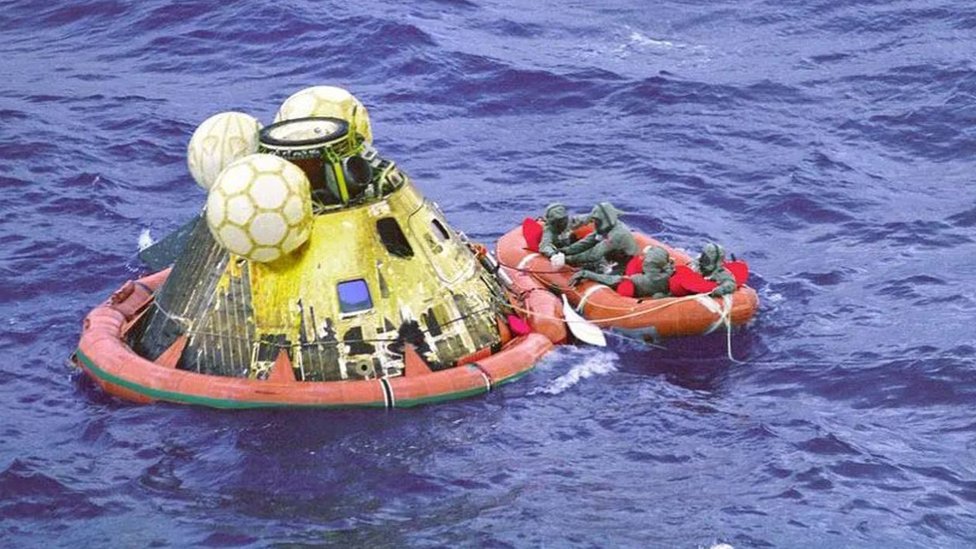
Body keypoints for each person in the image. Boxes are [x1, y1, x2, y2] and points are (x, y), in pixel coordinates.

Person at [557, 201, 639, 271]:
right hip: (611, 257)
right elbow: (588, 241)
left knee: (593, 266)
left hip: (624, 264)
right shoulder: (605, 228)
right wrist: (566, 251)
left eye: (597, 221)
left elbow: (595, 254)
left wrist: (568, 259)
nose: (595, 223)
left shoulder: (617, 234)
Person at [569, 246, 674, 298]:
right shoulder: (669, 274)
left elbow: (610, 280)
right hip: (657, 293)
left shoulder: (638, 279)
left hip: (630, 289)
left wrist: (585, 273)